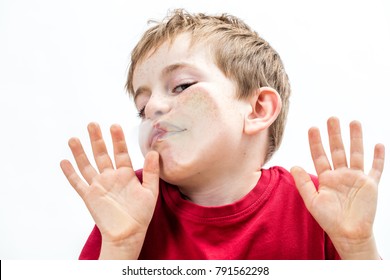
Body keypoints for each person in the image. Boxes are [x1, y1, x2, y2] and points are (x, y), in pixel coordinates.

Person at [60, 9, 385, 260]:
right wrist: (118, 247)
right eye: (141, 107)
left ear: (258, 109)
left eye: (182, 86)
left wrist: (358, 246)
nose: (154, 108)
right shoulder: (128, 203)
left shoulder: (319, 205)